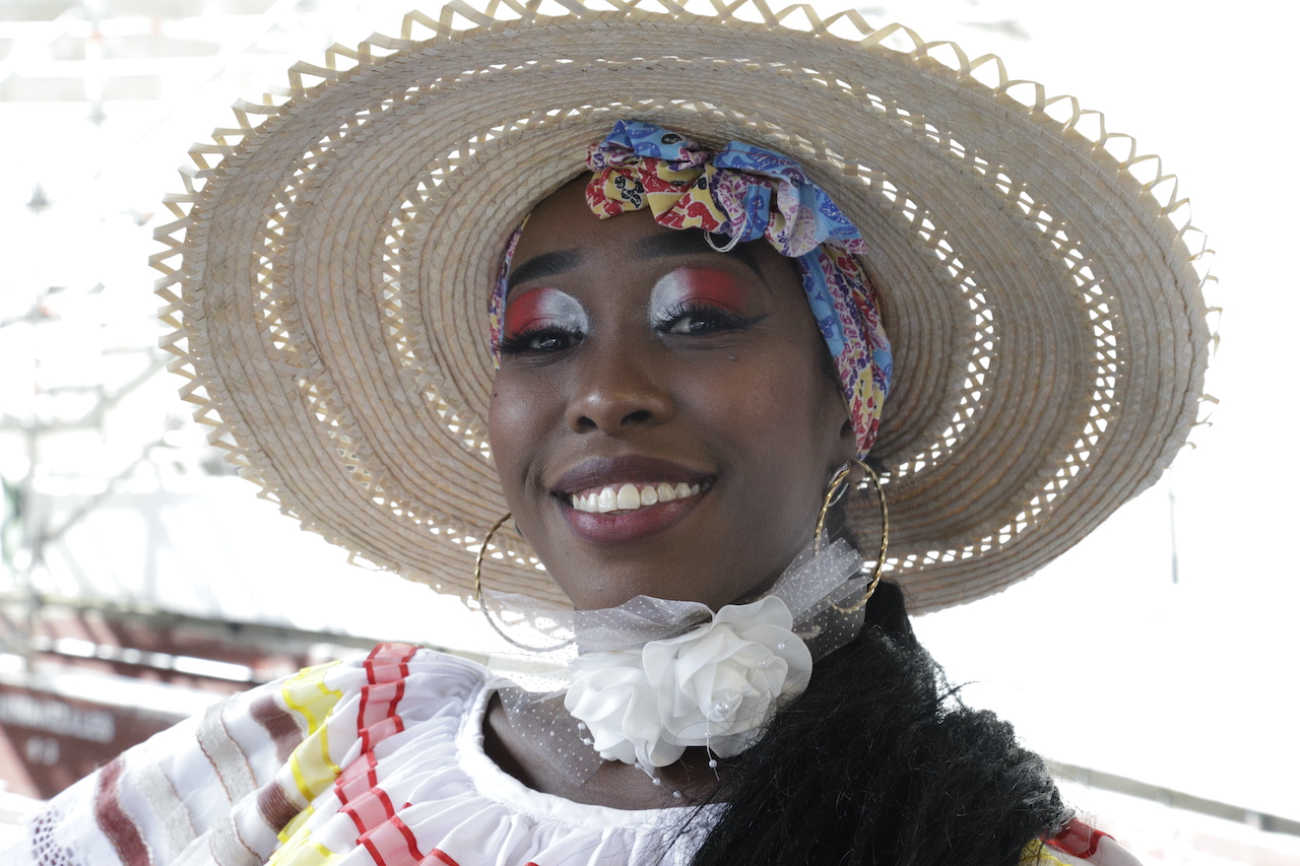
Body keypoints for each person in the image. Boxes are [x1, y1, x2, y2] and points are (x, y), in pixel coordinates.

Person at [2, 2, 1211, 865]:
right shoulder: (323, 743)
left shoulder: (971, 838)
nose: (604, 389)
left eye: (697, 317)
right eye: (541, 336)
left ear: (848, 402)